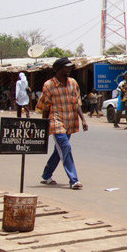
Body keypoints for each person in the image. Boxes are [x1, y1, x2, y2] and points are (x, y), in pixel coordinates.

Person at [36, 57, 88, 190]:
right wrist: (44, 125)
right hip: (56, 121)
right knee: (65, 147)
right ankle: (74, 180)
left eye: (70, 67)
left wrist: (83, 119)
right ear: (58, 69)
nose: (69, 69)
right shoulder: (49, 85)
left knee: (59, 151)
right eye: (66, 67)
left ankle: (46, 174)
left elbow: (77, 104)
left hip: (69, 121)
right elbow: (45, 107)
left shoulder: (73, 83)